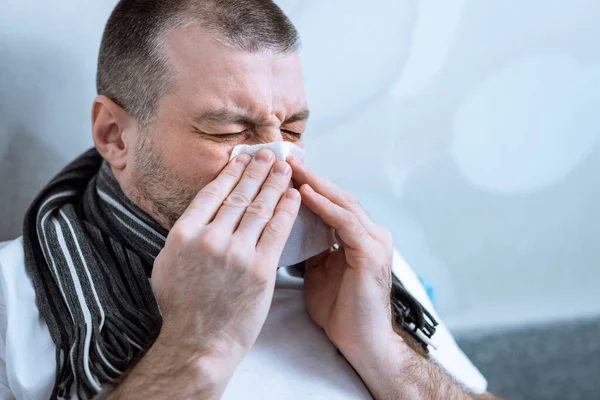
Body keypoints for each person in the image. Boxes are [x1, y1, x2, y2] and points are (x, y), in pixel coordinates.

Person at [0, 1, 498, 399]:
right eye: (228, 130)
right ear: (115, 135)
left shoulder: (349, 264)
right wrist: (197, 345)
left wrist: (385, 350)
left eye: (293, 129)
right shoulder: (12, 298)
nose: (279, 163)